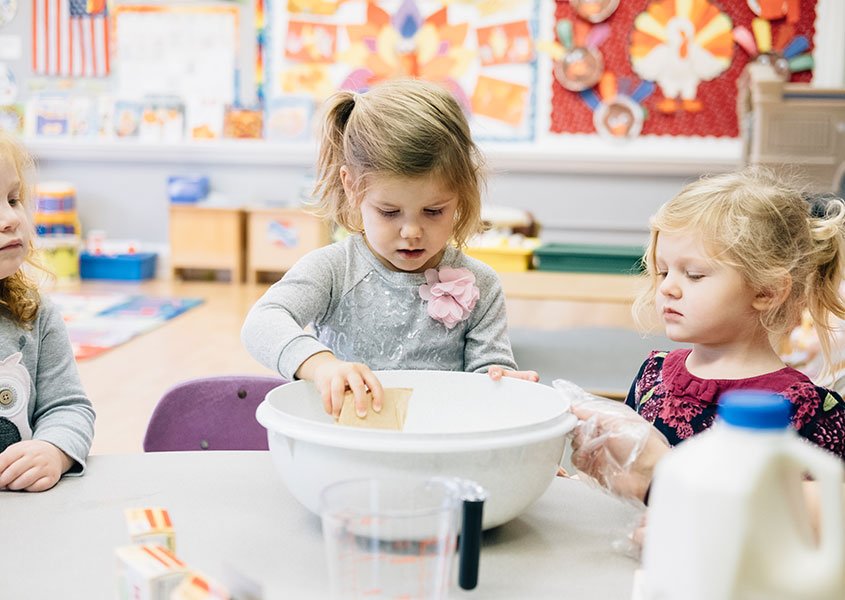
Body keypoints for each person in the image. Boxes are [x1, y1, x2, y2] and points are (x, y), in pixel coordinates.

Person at [242, 79, 537, 418]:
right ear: (351, 187)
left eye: (433, 211)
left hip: (440, 443)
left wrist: (502, 383)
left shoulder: (480, 283)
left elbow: (488, 372)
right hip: (351, 441)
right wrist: (320, 365)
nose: (411, 232)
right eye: (389, 212)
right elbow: (262, 322)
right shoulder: (335, 270)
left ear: (462, 192)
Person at [626, 167, 845, 459]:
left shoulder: (807, 411)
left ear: (766, 291)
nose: (667, 288)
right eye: (664, 271)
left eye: (693, 275)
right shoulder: (652, 375)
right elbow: (619, 471)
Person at [0, 133, 95, 492]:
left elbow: (69, 406)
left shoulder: (35, 315)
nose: (10, 218)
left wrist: (53, 449)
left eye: (13, 199)